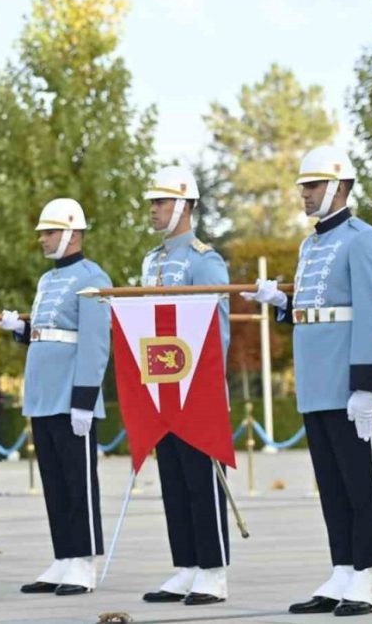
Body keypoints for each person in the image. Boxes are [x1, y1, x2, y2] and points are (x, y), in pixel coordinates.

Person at [243, 146, 372, 617]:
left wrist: (364, 385)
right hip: (316, 378)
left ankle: (369, 574)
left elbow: (371, 315)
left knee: (363, 482)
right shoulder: (309, 245)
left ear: (337, 186)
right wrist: (281, 302)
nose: (304, 194)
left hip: (350, 378)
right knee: (332, 484)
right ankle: (344, 567)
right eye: (303, 186)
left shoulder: (364, 240)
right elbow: (315, 311)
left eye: (312, 186)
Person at [0, 199, 110, 596]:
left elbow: (95, 343)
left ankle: (84, 561)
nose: (43, 239)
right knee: (54, 482)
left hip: (71, 394)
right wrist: (21, 328)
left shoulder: (93, 277)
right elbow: (47, 332)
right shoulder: (47, 280)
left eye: (50, 232)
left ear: (73, 233)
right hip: (44, 393)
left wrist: (85, 398)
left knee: (78, 481)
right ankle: (63, 557)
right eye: (42, 233)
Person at [137, 165, 232, 606]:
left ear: (184, 205)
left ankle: (213, 570)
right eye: (152, 202)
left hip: (196, 388)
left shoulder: (203, 260)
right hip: (161, 385)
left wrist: (206, 384)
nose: (153, 209)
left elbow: (217, 329)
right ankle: (187, 565)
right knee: (173, 480)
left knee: (201, 482)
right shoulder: (151, 261)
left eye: (161, 201)